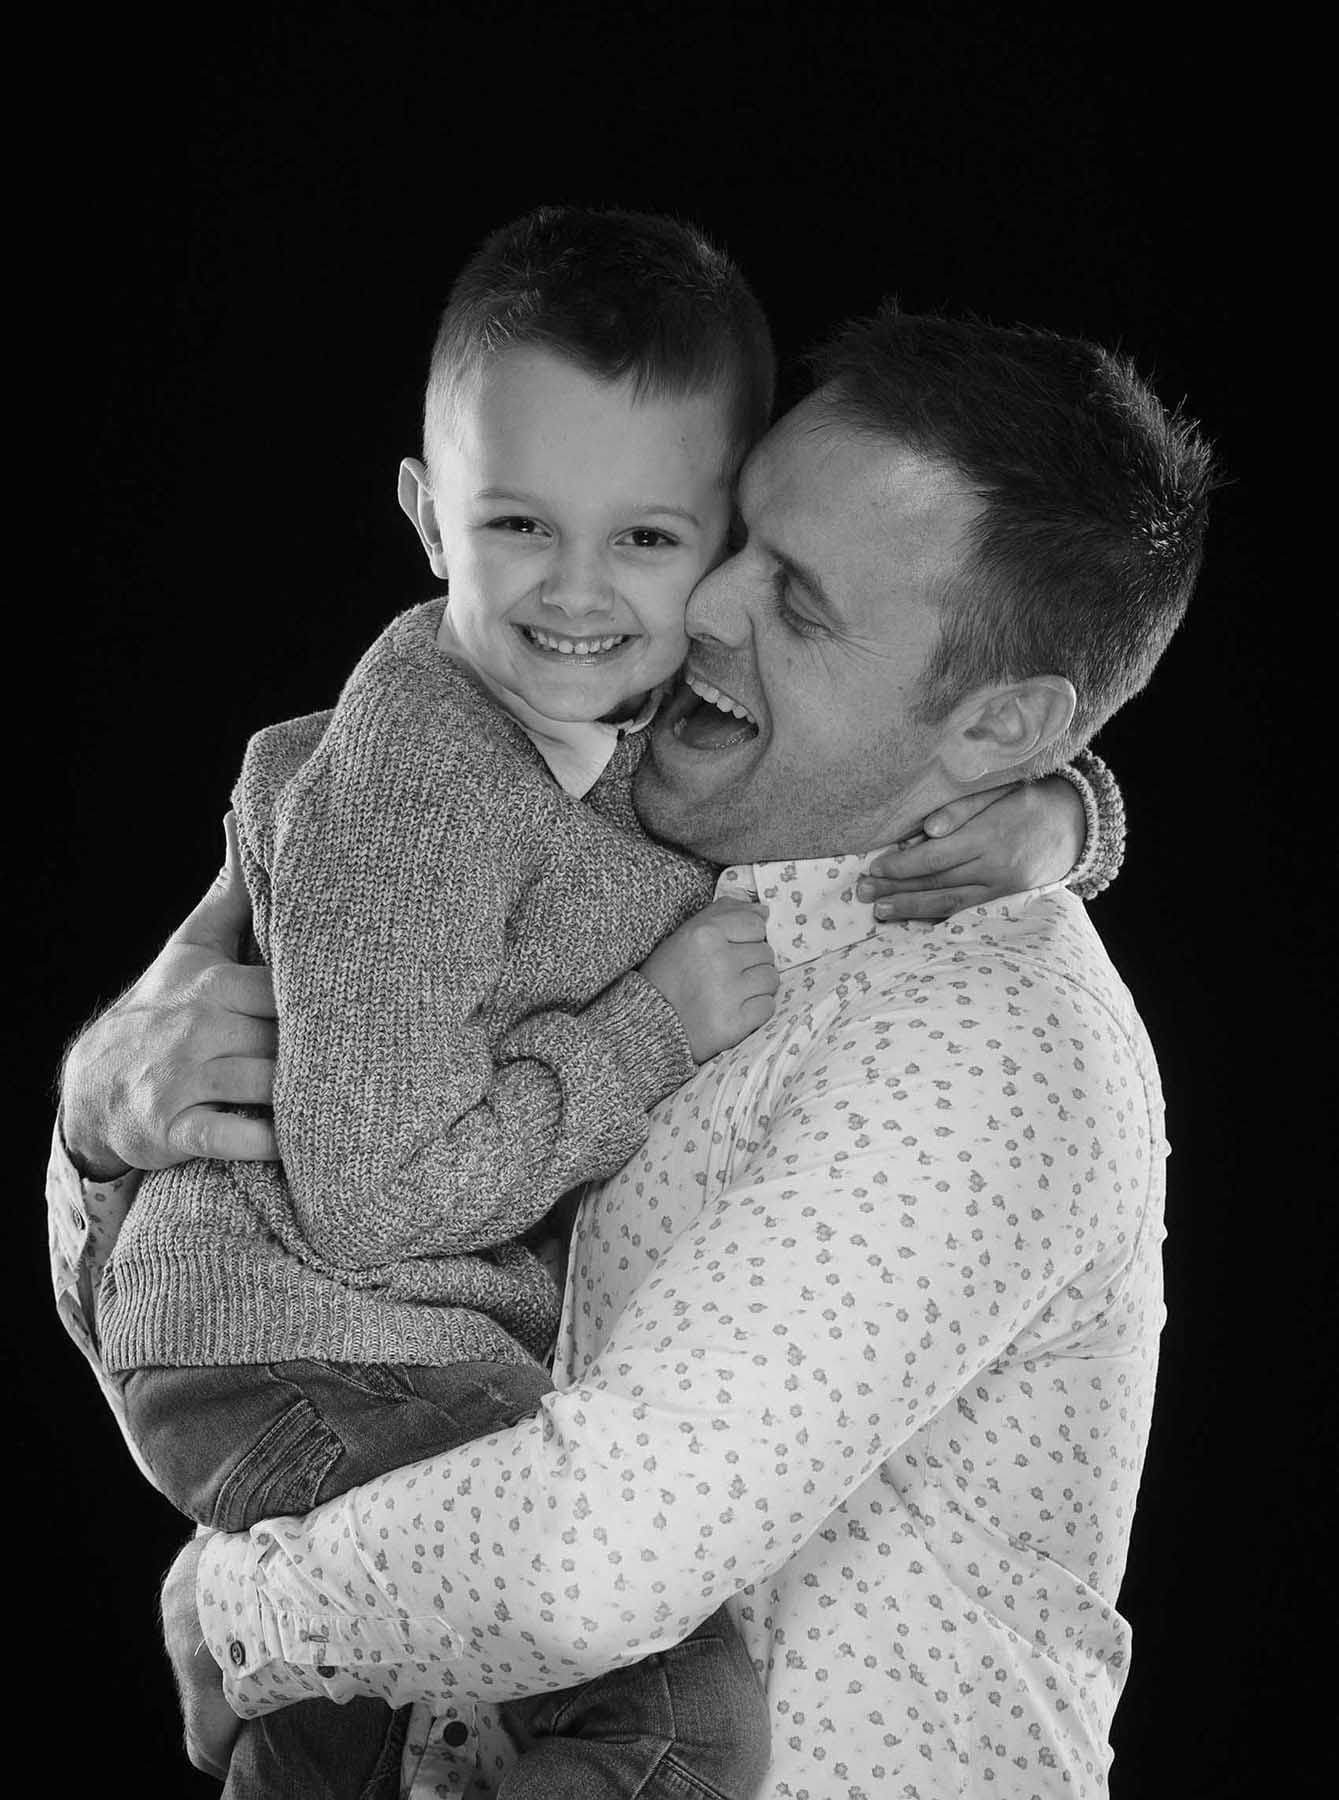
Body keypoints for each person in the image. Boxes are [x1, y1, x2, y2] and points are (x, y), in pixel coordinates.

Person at [56, 216, 1116, 1800]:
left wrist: (1076, 807)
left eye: (682, 548)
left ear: (1001, 733)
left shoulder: (962, 1023)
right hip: (361, 1460)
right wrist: (90, 1117)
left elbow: (583, 1557)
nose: (694, 611)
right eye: (735, 546)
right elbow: (272, 1211)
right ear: (432, 517)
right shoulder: (490, 795)